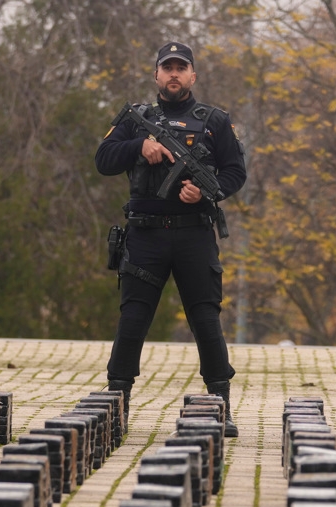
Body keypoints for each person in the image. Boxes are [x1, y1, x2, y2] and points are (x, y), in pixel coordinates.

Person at [96, 41, 247, 437]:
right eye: (168, 68)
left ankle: (220, 404)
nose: (174, 74)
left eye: (182, 68)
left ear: (193, 75)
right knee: (133, 319)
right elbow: (103, 159)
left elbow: (234, 172)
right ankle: (116, 403)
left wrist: (207, 193)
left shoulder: (215, 120)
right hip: (145, 236)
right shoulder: (137, 119)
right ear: (157, 75)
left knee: (205, 319)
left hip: (194, 235)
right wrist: (139, 147)